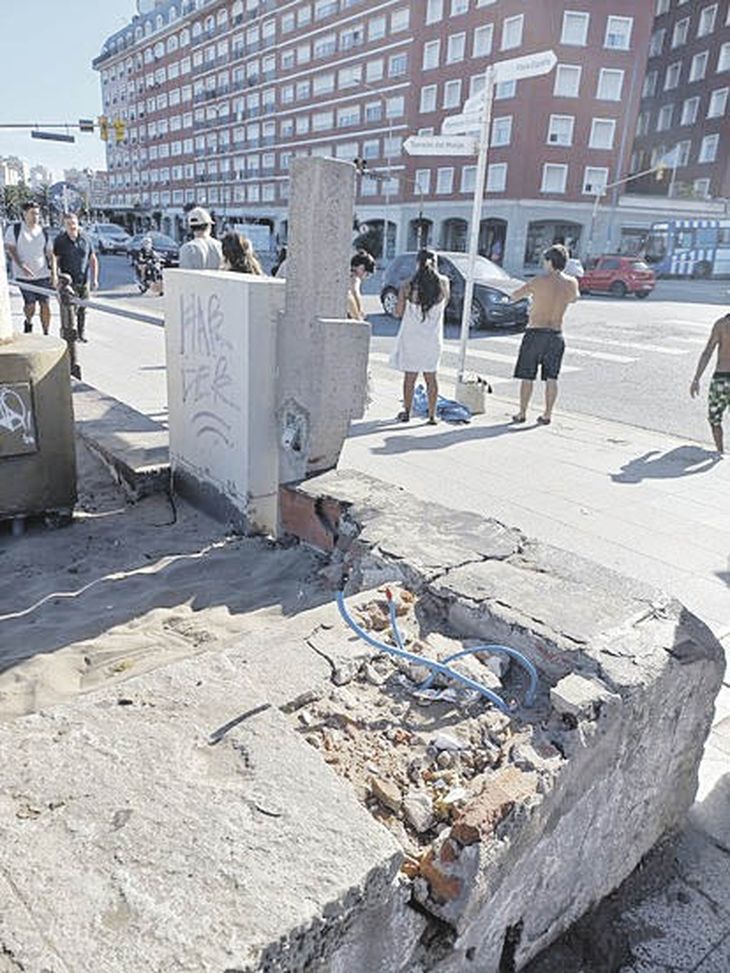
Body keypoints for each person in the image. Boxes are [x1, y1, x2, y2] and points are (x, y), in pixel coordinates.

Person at [509, 244, 579, 426]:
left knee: (527, 376)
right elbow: (574, 298)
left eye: (545, 261)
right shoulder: (571, 283)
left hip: (535, 333)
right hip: (556, 334)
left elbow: (515, 296)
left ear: (550, 262)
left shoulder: (538, 281)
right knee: (551, 377)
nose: (543, 264)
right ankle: (547, 414)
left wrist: (532, 299)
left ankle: (522, 413)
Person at [390, 249, 450, 425]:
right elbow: (444, 304)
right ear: (435, 263)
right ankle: (432, 416)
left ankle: (407, 413)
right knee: (431, 377)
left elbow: (399, 313)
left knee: (410, 378)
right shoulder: (444, 283)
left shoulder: (407, 286)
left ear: (417, 263)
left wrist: (399, 308)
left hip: (411, 338)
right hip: (432, 338)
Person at [4, 201, 54, 335]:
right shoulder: (15, 230)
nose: (35, 216)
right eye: (32, 213)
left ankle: (46, 333)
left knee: (45, 305)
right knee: (30, 305)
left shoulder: (43, 232)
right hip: (23, 276)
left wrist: (54, 273)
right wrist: (22, 266)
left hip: (43, 275)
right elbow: (11, 249)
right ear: (24, 214)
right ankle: (28, 321)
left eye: (37, 213)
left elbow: (50, 253)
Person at [51, 213, 98, 343]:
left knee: (82, 309)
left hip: (83, 281)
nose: (72, 226)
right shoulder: (60, 241)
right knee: (70, 310)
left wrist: (94, 279)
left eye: (74, 223)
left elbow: (92, 259)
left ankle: (80, 333)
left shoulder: (86, 239)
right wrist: (55, 276)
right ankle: (68, 336)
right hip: (67, 284)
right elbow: (55, 260)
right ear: (64, 225)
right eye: (68, 224)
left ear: (78, 223)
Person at [690, 312, 730, 455]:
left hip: (721, 379)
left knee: (715, 417)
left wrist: (696, 378)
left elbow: (708, 352)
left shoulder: (721, 324)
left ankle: (720, 452)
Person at [347, 249, 376, 321]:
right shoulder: (355, 278)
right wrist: (359, 313)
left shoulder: (347, 271)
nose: (365, 277)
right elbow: (355, 293)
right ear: (361, 267)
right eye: (367, 274)